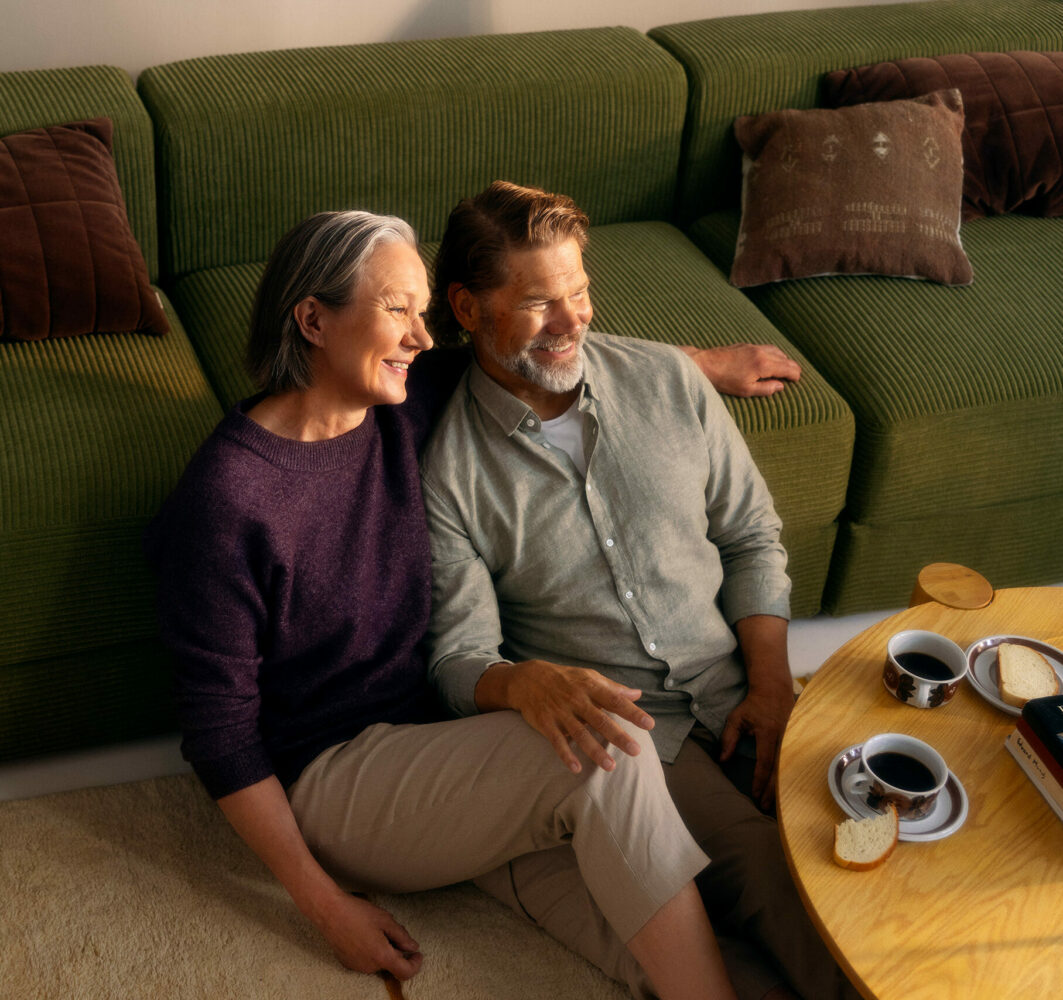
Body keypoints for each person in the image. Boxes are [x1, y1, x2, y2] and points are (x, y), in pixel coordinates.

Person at [144, 208, 747, 1000]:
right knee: (606, 755)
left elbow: (530, 346)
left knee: (678, 938)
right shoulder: (228, 501)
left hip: (450, 748)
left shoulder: (402, 397)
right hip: (336, 781)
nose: (423, 338)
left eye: (424, 312)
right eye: (398, 309)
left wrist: (699, 363)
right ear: (313, 319)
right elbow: (220, 737)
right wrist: (325, 906)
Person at [420, 181, 858, 1000]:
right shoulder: (449, 474)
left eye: (580, 293)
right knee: (775, 871)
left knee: (867, 826)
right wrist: (523, 681)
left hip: (738, 682)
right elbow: (455, 656)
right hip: (635, 747)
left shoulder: (666, 378)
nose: (572, 320)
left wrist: (770, 682)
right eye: (539, 303)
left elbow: (750, 536)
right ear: (468, 309)